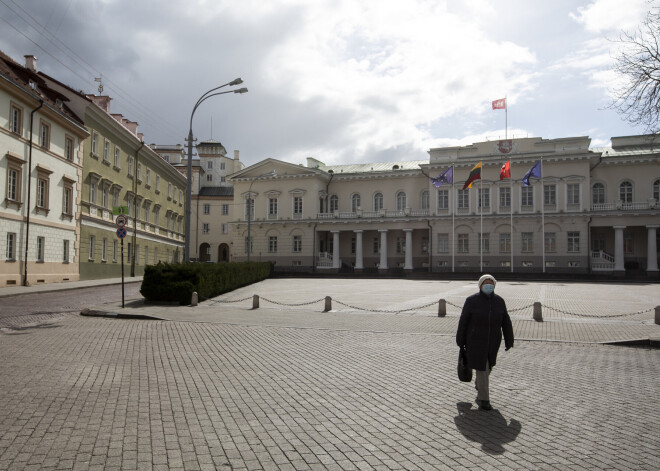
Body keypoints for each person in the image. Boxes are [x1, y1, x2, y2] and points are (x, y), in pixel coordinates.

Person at [456, 274, 514, 411]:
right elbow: (463, 321)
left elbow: (506, 321)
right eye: (485, 283)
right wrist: (460, 340)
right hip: (475, 341)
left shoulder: (499, 301)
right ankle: (484, 399)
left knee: (489, 366)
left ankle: (480, 383)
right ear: (480, 285)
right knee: (482, 367)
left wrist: (509, 339)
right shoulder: (471, 300)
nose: (488, 286)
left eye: (491, 283)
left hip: (493, 341)